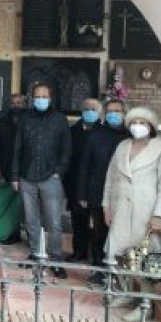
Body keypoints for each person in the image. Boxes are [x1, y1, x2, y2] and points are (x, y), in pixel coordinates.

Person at [102, 106, 161, 322]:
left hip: (147, 212)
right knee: (120, 254)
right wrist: (107, 206)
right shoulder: (122, 145)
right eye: (135, 122)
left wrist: (160, 216)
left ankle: (145, 304)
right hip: (121, 208)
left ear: (151, 126)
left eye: (143, 123)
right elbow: (110, 179)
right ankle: (127, 294)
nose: (138, 126)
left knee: (144, 259)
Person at [11, 82, 71, 278]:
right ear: (32, 98)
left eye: (44, 96)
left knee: (54, 222)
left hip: (50, 177)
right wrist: (14, 175)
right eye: (38, 96)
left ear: (50, 98)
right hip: (27, 177)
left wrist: (59, 171)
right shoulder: (24, 119)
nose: (41, 99)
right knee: (31, 220)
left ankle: (55, 259)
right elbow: (17, 148)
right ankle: (37, 253)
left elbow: (66, 149)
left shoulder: (59, 119)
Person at [76, 99, 129, 282]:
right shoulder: (96, 134)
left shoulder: (129, 136)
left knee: (119, 231)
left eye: (118, 111)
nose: (114, 114)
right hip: (97, 190)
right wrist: (82, 193)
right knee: (100, 232)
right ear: (105, 114)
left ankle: (118, 269)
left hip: (123, 193)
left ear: (124, 113)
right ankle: (99, 266)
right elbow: (84, 165)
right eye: (110, 111)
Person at [64, 98, 102, 262]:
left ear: (99, 111)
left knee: (100, 224)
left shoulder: (104, 131)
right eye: (87, 108)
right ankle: (80, 252)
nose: (90, 110)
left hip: (98, 184)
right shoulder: (73, 131)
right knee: (78, 221)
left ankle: (98, 255)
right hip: (75, 183)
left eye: (93, 108)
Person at [0, 93, 26, 245]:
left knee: (26, 204)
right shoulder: (3, 122)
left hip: (26, 168)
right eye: (13, 102)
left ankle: (32, 236)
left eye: (19, 102)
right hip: (7, 166)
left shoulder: (30, 120)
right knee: (11, 203)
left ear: (24, 104)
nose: (16, 105)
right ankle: (13, 233)